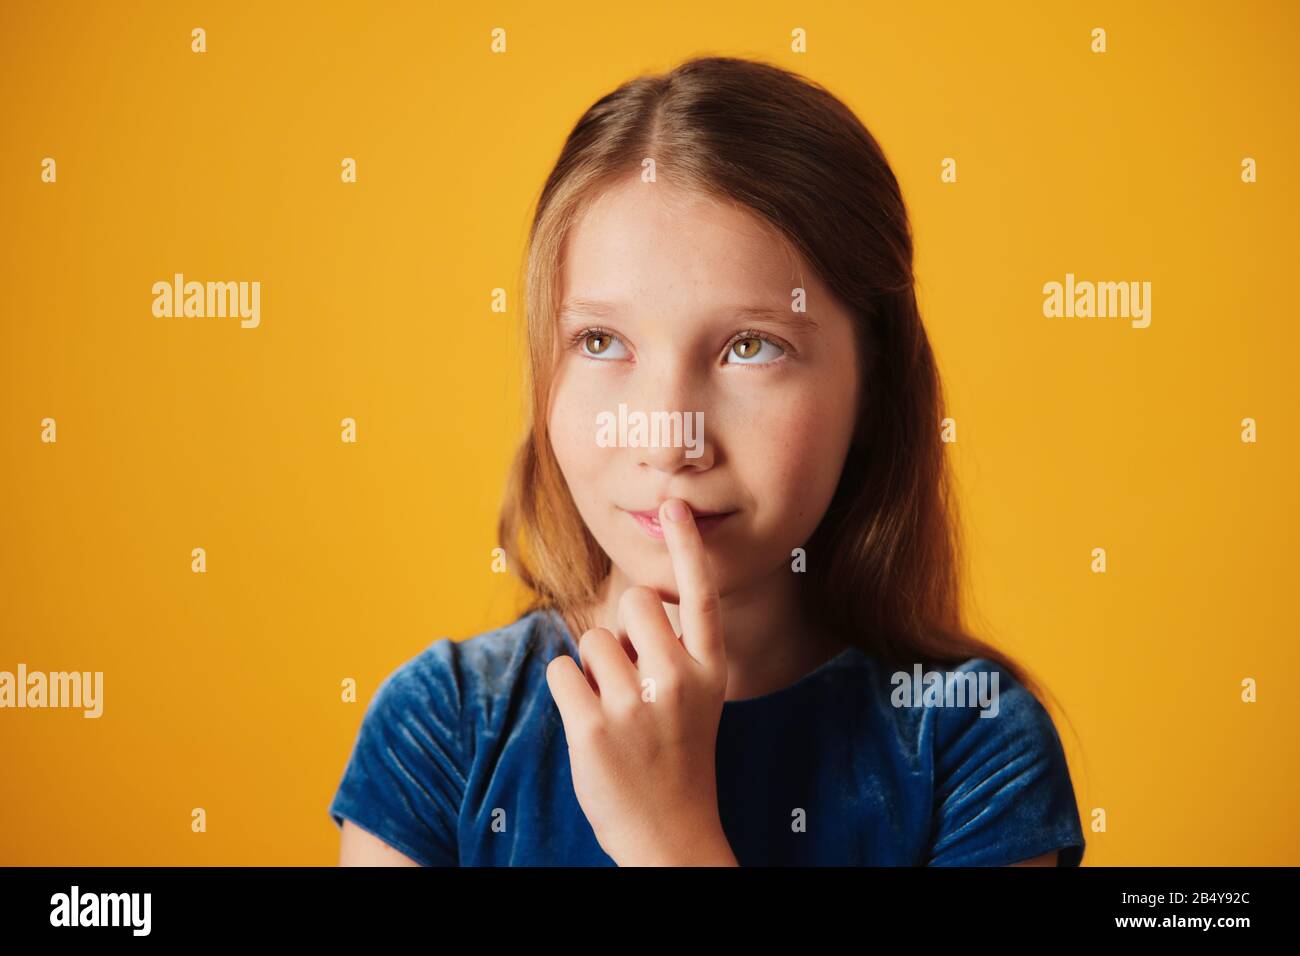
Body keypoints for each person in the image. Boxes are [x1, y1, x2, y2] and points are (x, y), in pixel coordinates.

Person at [329, 54, 1086, 866]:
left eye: (750, 347)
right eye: (600, 341)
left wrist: (672, 841)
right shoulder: (445, 727)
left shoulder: (971, 744)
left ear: (873, 387)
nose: (666, 439)